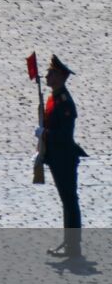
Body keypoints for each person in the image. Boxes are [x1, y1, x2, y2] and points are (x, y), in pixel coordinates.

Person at [41, 55, 87, 258]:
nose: (46, 76)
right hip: (55, 157)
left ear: (59, 76)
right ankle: (70, 243)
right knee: (66, 201)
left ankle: (73, 246)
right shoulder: (53, 97)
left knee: (70, 201)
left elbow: (64, 135)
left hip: (64, 158)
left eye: (50, 73)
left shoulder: (65, 102)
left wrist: (43, 133)